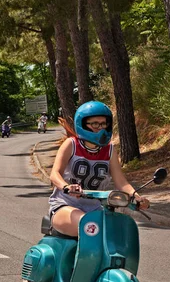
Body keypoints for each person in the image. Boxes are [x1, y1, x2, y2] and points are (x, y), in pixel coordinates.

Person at [48, 101, 150, 237]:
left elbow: (121, 182)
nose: (100, 128)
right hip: (65, 205)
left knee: (119, 232)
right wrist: (67, 187)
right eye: (95, 124)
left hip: (96, 208)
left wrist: (136, 197)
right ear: (83, 124)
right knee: (89, 225)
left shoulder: (110, 150)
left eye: (103, 124)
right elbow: (55, 174)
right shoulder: (71, 144)